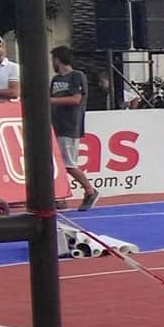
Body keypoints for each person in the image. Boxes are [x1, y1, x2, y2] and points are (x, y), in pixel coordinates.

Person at [49, 46, 98, 212]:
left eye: (53, 59)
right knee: (55, 164)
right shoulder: (55, 80)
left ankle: (89, 190)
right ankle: (59, 196)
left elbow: (76, 99)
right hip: (55, 125)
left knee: (69, 164)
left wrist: (50, 101)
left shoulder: (77, 76)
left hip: (69, 125)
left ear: (57, 59)